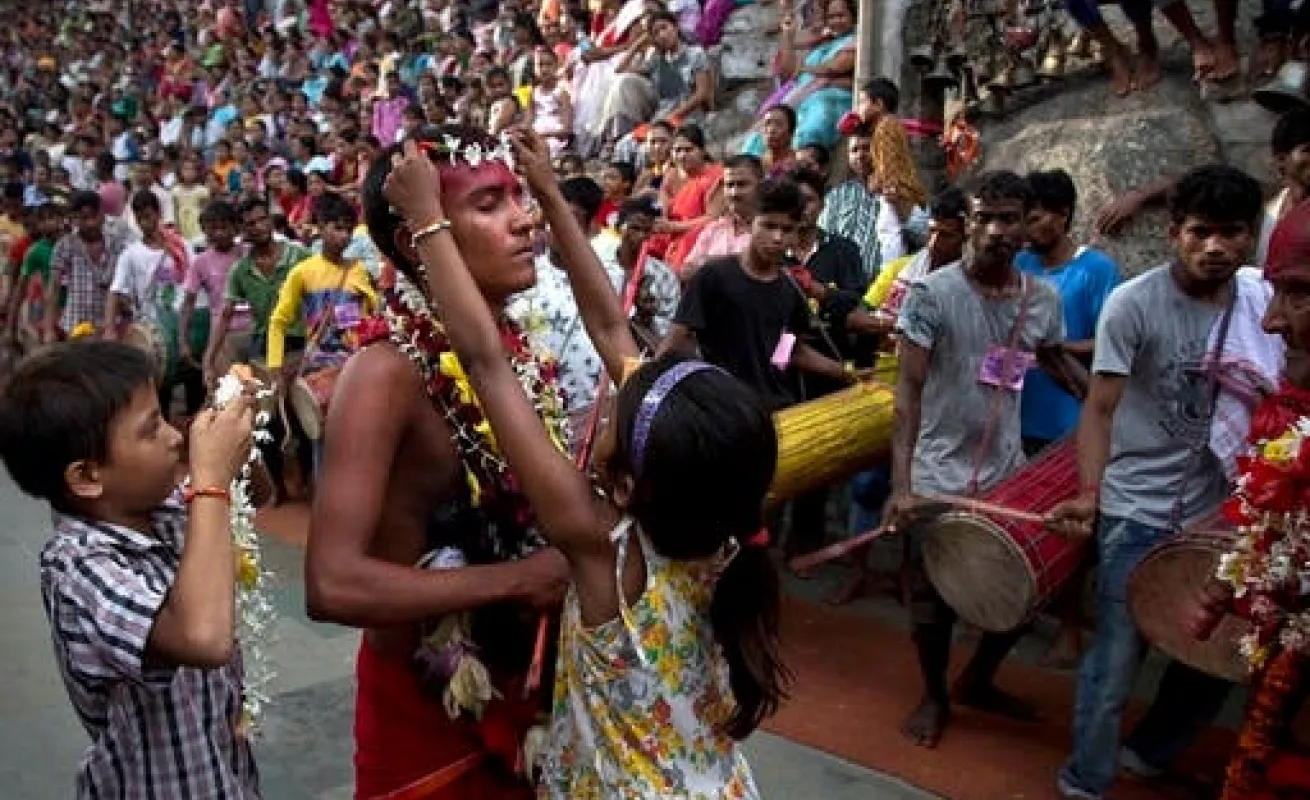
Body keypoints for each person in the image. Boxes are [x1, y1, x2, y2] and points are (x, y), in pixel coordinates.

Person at [384, 124, 783, 800]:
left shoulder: (605, 552)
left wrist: (427, 222)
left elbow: (484, 362)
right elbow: (610, 327)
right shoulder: (727, 540)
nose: (616, 385)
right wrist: (547, 192)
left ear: (623, 483)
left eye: (618, 409)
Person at [305, 124, 572, 799]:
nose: (524, 220)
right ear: (416, 240)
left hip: (526, 697)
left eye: (518, 197)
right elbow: (332, 584)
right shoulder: (385, 373)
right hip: (422, 726)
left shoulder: (514, 349)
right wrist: (518, 580)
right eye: (488, 205)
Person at [1048, 165, 1272, 800]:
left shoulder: (1263, 305)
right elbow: (1099, 409)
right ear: (1174, 232)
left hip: (1221, 511)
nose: (1215, 248)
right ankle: (1086, 781)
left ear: (1251, 236)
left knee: (1220, 653)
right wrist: (1091, 495)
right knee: (1116, 661)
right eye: (1200, 232)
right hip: (1136, 512)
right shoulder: (1133, 303)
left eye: (1231, 233)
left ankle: (1150, 753)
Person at [0, 340, 257, 797]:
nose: (174, 437)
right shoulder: (79, 567)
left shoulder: (159, 509)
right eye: (151, 428)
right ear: (87, 477)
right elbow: (203, 637)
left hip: (224, 776)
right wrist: (212, 480)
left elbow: (245, 493)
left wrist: (234, 422)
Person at [887, 170, 1066, 749]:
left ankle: (978, 679)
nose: (994, 231)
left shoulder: (1043, 300)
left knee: (1021, 594)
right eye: (984, 218)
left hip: (1006, 474)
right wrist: (902, 485)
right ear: (967, 223)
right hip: (936, 473)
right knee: (933, 601)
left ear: (1027, 225)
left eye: (1008, 219)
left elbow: (1054, 359)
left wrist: (1110, 406)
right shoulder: (931, 294)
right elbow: (907, 393)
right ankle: (933, 695)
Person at [660, 176, 859, 412]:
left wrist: (843, 372)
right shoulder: (714, 276)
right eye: (769, 226)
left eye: (787, 229)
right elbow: (677, 339)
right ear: (750, 224)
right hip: (725, 410)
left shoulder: (791, 288)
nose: (777, 238)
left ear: (796, 233)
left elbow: (788, 349)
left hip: (777, 410)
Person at [1018, 169, 1121, 454]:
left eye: (1035, 219)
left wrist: (1060, 348)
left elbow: (1113, 342)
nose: (1026, 229)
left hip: (1068, 420)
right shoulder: (1019, 264)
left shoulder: (1097, 270)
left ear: (1063, 215)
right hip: (1015, 419)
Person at [105, 190, 202, 417]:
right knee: (161, 392)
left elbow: (197, 280)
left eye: (148, 216)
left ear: (159, 213)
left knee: (194, 388)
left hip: (185, 327)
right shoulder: (131, 254)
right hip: (154, 333)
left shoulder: (181, 246)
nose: (145, 223)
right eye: (140, 218)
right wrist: (110, 329)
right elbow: (115, 291)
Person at [45, 190, 134, 342]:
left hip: (108, 328)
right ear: (75, 219)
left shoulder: (116, 245)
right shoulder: (65, 245)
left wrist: (115, 325)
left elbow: (122, 288)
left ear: (102, 215)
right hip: (75, 326)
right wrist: (49, 329)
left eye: (94, 216)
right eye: (84, 218)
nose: (90, 223)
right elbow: (53, 288)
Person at [680, 154, 761, 280]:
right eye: (729, 185)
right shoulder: (714, 229)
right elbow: (686, 272)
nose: (734, 193)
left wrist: (709, 264)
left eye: (742, 185)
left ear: (760, 185)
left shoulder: (769, 229)